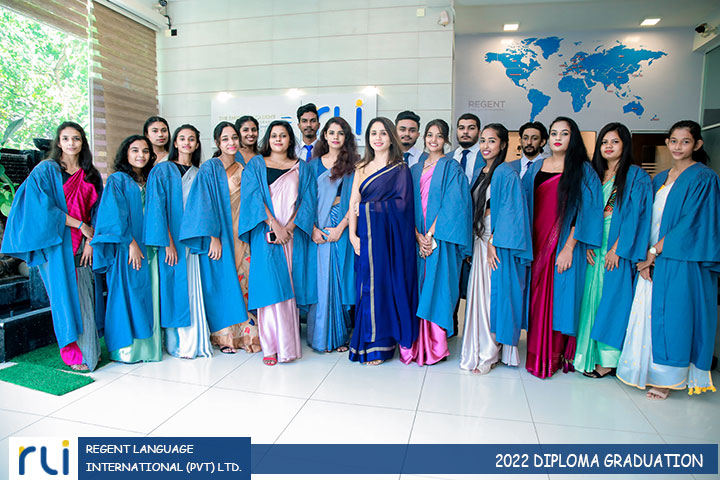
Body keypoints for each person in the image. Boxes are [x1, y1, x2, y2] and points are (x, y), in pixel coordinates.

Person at [617, 120, 720, 399]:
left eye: (685, 141)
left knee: (674, 317)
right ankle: (646, 371)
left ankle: (666, 379)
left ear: (697, 144)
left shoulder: (703, 178)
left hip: (680, 260)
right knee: (648, 313)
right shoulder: (659, 178)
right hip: (651, 256)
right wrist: (644, 254)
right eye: (673, 141)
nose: (678, 147)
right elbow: (645, 218)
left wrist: (654, 253)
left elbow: (691, 224)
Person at [1, 122, 103, 371]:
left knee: (86, 295)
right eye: (65, 138)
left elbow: (98, 212)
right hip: (55, 243)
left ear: (83, 142)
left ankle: (91, 350)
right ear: (58, 142)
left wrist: (91, 240)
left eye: (76, 138)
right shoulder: (46, 170)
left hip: (84, 244)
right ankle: (74, 355)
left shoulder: (91, 174)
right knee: (64, 299)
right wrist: (80, 225)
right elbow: (41, 207)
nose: (71, 143)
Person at [522, 117, 603, 379]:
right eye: (554, 133)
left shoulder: (583, 169)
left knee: (558, 299)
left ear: (573, 137)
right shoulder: (537, 166)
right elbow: (524, 204)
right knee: (536, 300)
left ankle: (553, 356)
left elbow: (587, 210)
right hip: (535, 242)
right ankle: (535, 351)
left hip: (563, 244)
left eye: (564, 133)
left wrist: (569, 246)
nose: (558, 138)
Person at [574, 123, 652, 377]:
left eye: (615, 142)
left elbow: (634, 216)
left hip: (618, 245)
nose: (608, 146)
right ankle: (587, 355)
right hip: (595, 246)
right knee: (591, 300)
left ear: (624, 145)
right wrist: (588, 242)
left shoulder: (635, 176)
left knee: (613, 300)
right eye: (604, 142)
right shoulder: (594, 174)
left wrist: (618, 248)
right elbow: (585, 213)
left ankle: (608, 359)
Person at [238, 120, 317, 365]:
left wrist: (289, 227)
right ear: (268, 139)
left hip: (292, 236)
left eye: (283, 135)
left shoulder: (301, 168)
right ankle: (270, 346)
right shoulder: (256, 165)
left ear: (290, 139)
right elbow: (252, 197)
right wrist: (274, 224)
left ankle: (288, 345)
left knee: (288, 286)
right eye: (274, 135)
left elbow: (308, 201)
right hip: (265, 233)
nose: (278, 139)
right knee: (268, 287)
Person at [180, 122, 257, 354]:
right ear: (217, 143)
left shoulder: (245, 168)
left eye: (234, 137)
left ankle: (246, 334)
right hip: (220, 237)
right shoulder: (209, 169)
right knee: (222, 283)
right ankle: (225, 337)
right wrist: (213, 236)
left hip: (242, 236)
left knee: (244, 281)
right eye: (225, 139)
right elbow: (202, 205)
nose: (231, 142)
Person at [460, 123, 531, 373]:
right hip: (480, 241)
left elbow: (512, 211)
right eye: (483, 140)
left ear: (502, 144)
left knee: (492, 297)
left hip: (496, 243)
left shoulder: (506, 172)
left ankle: (490, 352)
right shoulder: (482, 172)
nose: (486, 146)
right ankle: (480, 347)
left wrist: (493, 241)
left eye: (492, 141)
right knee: (478, 297)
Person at [348, 117, 418, 365]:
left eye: (383, 133)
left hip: (388, 243)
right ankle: (366, 342)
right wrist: (352, 235)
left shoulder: (400, 169)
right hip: (365, 239)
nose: (377, 138)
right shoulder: (361, 167)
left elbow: (402, 206)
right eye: (373, 133)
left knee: (384, 288)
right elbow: (353, 203)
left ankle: (382, 346)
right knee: (365, 288)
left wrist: (370, 208)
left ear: (391, 137)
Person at [400, 119, 471, 366]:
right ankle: (415, 343)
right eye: (430, 135)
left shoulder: (452, 168)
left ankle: (435, 345)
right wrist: (416, 235)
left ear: (446, 140)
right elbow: (406, 205)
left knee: (438, 287)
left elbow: (454, 204)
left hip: (441, 238)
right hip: (416, 239)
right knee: (417, 288)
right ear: (424, 137)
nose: (433, 140)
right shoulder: (414, 169)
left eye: (439, 136)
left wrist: (430, 235)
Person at [145, 124, 214, 359]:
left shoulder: (200, 173)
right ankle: (177, 343)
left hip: (193, 241)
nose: (187, 142)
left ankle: (195, 340)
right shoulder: (162, 171)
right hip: (171, 240)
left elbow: (206, 209)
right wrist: (167, 243)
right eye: (182, 138)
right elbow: (157, 209)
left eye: (191, 139)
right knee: (173, 288)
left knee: (193, 288)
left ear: (197, 144)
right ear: (175, 143)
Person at [92, 135, 158, 363]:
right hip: (126, 248)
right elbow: (114, 215)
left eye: (145, 151)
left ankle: (149, 348)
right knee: (126, 293)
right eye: (135, 150)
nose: (141, 155)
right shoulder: (117, 180)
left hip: (150, 246)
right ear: (126, 153)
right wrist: (131, 244)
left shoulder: (151, 179)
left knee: (148, 294)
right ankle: (127, 350)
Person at [307, 117, 358, 353]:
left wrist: (341, 227)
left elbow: (356, 200)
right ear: (324, 135)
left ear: (346, 137)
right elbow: (305, 200)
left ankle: (340, 336)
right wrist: (312, 228)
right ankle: (320, 337)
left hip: (343, 227)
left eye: (340, 133)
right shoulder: (313, 165)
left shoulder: (354, 165)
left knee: (340, 280)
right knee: (320, 281)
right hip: (318, 227)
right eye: (331, 132)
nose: (336, 137)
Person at [453, 113, 484, 185]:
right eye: (461, 128)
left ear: (479, 133)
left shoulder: (486, 157)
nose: (465, 132)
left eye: (471, 128)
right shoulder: (449, 157)